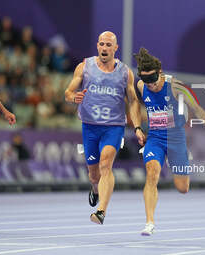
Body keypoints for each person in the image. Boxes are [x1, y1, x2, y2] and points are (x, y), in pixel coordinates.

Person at [134, 48, 205, 235]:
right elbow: (134, 104)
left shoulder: (176, 86)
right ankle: (149, 223)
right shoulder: (141, 86)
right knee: (152, 174)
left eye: (152, 80)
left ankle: (178, 159)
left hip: (176, 139)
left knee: (182, 188)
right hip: (155, 138)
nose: (150, 85)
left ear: (159, 72)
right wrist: (137, 127)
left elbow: (198, 109)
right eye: (146, 81)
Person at [65, 31, 144, 224]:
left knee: (106, 164)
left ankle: (101, 211)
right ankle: (94, 188)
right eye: (101, 44)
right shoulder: (84, 67)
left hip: (113, 127)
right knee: (94, 174)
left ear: (115, 48)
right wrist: (72, 97)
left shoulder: (125, 72)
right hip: (90, 127)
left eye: (109, 45)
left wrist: (137, 127)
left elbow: (133, 101)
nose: (104, 48)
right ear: (97, 46)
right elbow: (68, 91)